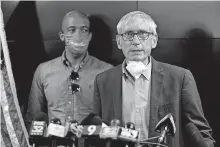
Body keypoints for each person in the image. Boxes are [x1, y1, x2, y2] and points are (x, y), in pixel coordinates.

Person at [92, 11, 215, 147]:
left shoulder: (180, 78)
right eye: (128, 34)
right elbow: (96, 132)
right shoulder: (103, 81)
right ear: (119, 42)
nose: (136, 41)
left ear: (154, 40)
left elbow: (199, 130)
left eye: (143, 34)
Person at [25, 10, 113, 139]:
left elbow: (112, 120)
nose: (78, 36)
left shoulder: (107, 71)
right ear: (62, 36)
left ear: (89, 36)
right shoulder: (43, 70)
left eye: (84, 30)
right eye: (72, 30)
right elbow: (32, 119)